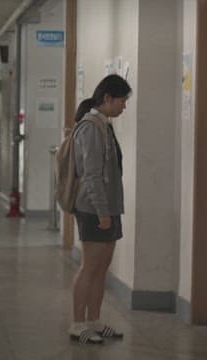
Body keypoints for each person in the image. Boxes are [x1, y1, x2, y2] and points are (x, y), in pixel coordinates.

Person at [69, 74, 132, 344]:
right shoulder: (91, 127)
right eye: (122, 101)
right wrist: (102, 212)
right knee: (89, 267)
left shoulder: (104, 125)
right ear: (107, 98)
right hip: (94, 209)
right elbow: (91, 174)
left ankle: (93, 320)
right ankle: (77, 323)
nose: (124, 107)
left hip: (109, 208)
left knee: (101, 268)